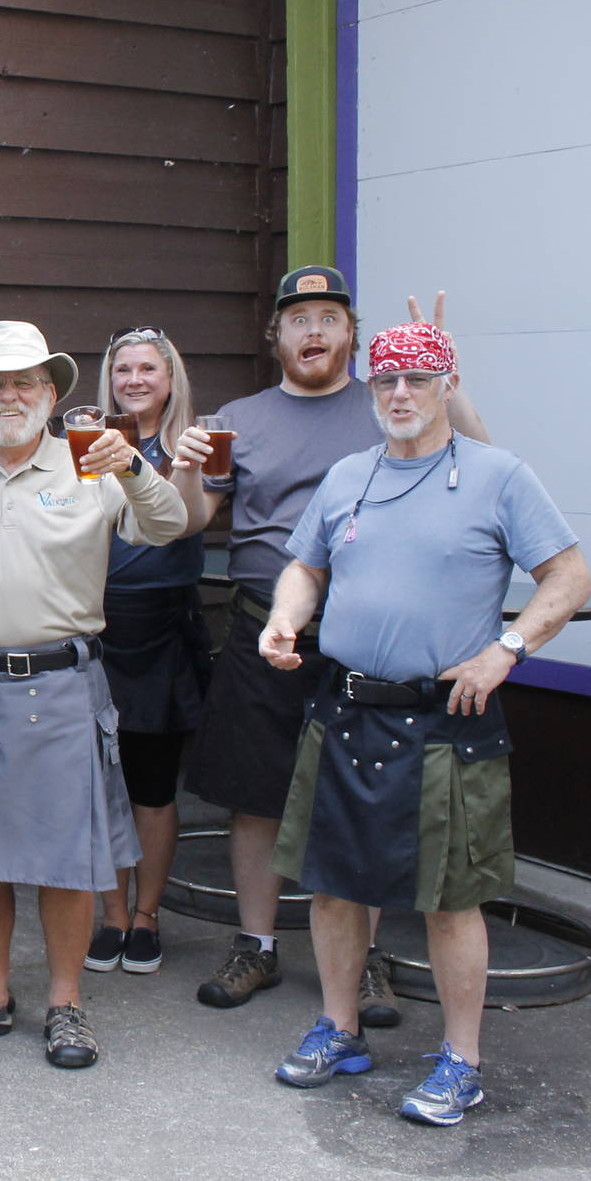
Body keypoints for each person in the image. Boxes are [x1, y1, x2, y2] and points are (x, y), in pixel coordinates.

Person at [262, 321, 590, 1126]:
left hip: (447, 718)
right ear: (371, 388)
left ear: (448, 384)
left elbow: (570, 575)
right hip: (344, 709)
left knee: (449, 899)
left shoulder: (498, 475)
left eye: (417, 378)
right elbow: (306, 564)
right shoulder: (348, 475)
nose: (400, 393)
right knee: (333, 885)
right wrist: (284, 617)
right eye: (386, 380)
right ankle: (339, 1027)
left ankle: (462, 1061)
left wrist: (506, 649)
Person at [175, 267, 488, 1019]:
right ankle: (257, 944)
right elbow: (191, 520)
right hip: (263, 627)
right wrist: (184, 468)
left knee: (361, 801)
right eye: (298, 319)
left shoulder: (388, 402)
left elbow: (480, 461)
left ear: (351, 333)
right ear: (275, 336)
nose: (313, 331)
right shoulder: (238, 419)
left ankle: (364, 959)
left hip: (365, 642)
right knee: (257, 798)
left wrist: (445, 374)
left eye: (328, 318)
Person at [0, 321, 187, 1069]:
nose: (8, 396)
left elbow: (168, 525)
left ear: (51, 393)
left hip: (63, 685)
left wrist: (135, 468)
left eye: (24, 382)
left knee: (66, 857)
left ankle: (66, 1003)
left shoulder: (92, 461)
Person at [85, 327, 213, 978]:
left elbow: (191, 522)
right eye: (122, 369)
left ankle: (147, 914)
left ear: (170, 378)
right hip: (96, 620)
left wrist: (184, 467)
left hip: (162, 622)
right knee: (101, 783)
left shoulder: (198, 439)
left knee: (154, 786)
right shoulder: (88, 441)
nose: (133, 380)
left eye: (146, 369)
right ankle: (111, 912)